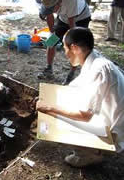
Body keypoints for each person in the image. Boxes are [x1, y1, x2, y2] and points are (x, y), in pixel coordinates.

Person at [36, 27, 124, 167]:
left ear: (74, 48)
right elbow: (78, 85)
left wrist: (49, 107)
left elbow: (85, 116)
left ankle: (90, 154)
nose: (65, 53)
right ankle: (94, 149)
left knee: (54, 121)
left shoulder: (98, 70)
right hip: (111, 115)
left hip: (115, 131)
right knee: (63, 101)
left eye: (65, 48)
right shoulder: (95, 58)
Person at [38, 0, 91, 85]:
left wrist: (70, 42)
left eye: (52, 10)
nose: (51, 12)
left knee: (76, 45)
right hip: (64, 18)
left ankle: (71, 74)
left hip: (80, 18)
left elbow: (72, 25)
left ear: (59, 3)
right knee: (51, 41)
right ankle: (49, 69)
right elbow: (49, 16)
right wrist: (52, 34)